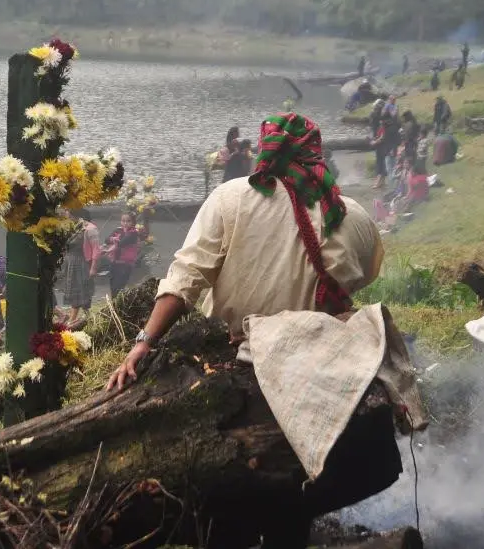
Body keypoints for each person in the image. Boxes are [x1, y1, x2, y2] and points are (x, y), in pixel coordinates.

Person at [106, 112, 384, 387]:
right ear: (315, 152)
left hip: (239, 351)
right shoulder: (351, 213)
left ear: (266, 150)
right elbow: (366, 275)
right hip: (322, 350)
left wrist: (144, 341)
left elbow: (185, 279)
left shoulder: (231, 197)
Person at [62, 216, 100, 324]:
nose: (66, 215)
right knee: (75, 290)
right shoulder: (70, 226)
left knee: (81, 290)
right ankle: (88, 317)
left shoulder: (90, 229)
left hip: (81, 263)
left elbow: (96, 250)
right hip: (70, 263)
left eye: (68, 213)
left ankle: (73, 318)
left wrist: (93, 267)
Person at [104, 212, 148, 296]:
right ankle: (114, 305)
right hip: (114, 262)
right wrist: (113, 239)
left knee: (118, 288)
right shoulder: (118, 230)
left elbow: (122, 243)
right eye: (123, 221)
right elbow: (106, 240)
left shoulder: (133, 233)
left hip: (125, 265)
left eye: (128, 221)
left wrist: (113, 239)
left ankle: (116, 306)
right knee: (113, 288)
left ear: (133, 222)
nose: (125, 223)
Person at [372, 111, 400, 190]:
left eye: (383, 120)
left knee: (389, 169)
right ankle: (393, 185)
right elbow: (397, 140)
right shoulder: (394, 127)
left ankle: (392, 187)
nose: (382, 122)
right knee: (393, 168)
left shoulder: (387, 128)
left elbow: (383, 138)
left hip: (387, 150)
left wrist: (375, 142)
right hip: (392, 150)